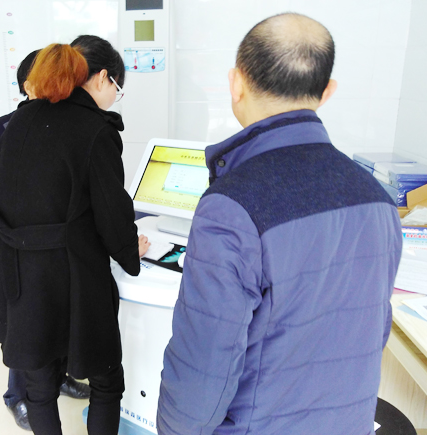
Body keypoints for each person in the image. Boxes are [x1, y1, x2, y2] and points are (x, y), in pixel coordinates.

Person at [157, 13, 402, 435]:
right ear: (327, 92)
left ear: (236, 83)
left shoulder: (231, 206)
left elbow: (203, 369)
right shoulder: (378, 197)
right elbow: (372, 330)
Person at [0, 36, 150, 435]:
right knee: (105, 379)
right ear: (100, 77)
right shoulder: (95, 129)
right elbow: (112, 211)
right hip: (75, 274)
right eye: (116, 88)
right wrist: (128, 252)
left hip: (19, 272)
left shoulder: (17, 122)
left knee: (39, 385)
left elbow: (0, 193)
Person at [0, 49, 91, 432]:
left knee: (55, 320)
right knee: (24, 330)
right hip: (17, 250)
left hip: (55, 249)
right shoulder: (5, 128)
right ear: (28, 85)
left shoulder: (68, 125)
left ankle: (58, 377)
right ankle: (17, 397)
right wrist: (4, 222)